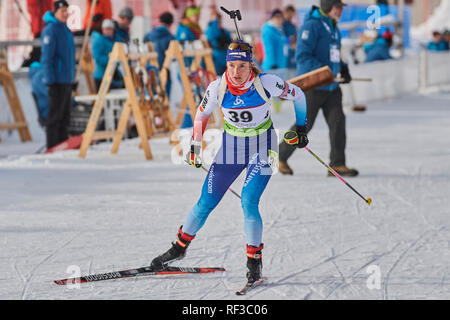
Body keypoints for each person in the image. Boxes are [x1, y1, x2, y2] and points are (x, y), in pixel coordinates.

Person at [149, 40, 309, 284]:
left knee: (248, 201)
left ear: (250, 66)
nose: (236, 72)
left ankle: (253, 261)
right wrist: (194, 146)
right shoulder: (217, 87)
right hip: (232, 148)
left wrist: (301, 127)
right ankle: (180, 247)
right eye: (231, 65)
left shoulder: (266, 82)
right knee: (206, 201)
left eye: (242, 66)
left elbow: (298, 95)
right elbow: (201, 115)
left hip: (263, 146)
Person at [278, 0, 358, 177]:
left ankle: (338, 163)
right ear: (328, 7)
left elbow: (333, 53)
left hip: (331, 86)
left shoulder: (332, 25)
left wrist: (342, 67)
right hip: (313, 86)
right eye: (338, 7)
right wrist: (325, 71)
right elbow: (303, 56)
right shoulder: (311, 26)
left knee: (338, 122)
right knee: (304, 126)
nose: (341, 11)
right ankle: (280, 156)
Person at [40, 0, 75, 150]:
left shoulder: (65, 29)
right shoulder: (51, 30)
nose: (65, 14)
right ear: (56, 12)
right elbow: (47, 58)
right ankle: (52, 146)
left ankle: (62, 145)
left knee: (65, 116)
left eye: (67, 11)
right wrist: (50, 80)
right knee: (55, 116)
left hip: (66, 79)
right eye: (62, 11)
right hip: (56, 80)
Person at [175, 5, 202, 128]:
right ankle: (186, 126)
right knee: (189, 97)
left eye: (198, 15)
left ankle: (192, 124)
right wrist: (187, 68)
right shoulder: (184, 29)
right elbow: (182, 51)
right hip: (186, 68)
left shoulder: (195, 29)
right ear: (188, 16)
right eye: (194, 15)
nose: (197, 17)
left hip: (195, 68)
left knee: (194, 96)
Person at [91, 19, 122, 91]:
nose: (108, 31)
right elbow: (97, 57)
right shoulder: (99, 40)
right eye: (106, 29)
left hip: (115, 76)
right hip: (102, 76)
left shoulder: (117, 40)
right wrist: (112, 60)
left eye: (110, 29)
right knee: (103, 99)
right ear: (102, 30)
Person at [282, 5, 298, 70]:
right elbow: (280, 40)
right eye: (290, 14)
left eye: (292, 15)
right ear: (285, 13)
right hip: (285, 53)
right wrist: (289, 39)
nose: (291, 16)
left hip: (293, 52)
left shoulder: (292, 25)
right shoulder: (281, 25)